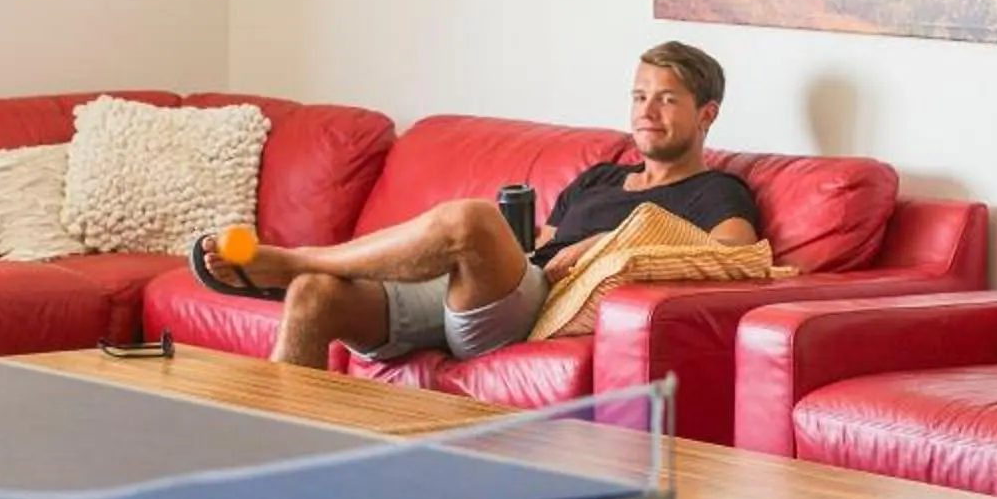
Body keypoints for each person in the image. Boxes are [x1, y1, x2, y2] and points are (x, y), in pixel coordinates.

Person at [195, 41, 761, 368]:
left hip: (541, 309)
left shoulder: (717, 191)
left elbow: (734, 259)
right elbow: (542, 245)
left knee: (470, 218)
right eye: (639, 96)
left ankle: (295, 257)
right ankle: (281, 476)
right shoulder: (602, 176)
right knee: (313, 296)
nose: (646, 112)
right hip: (495, 288)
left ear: (706, 114)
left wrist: (605, 246)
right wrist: (512, 245)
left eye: (667, 100)